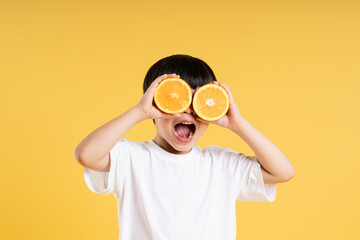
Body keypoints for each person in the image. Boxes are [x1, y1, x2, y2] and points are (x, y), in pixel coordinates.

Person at [74, 54, 295, 240]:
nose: (189, 110)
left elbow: (283, 171)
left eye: (197, 100)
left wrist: (237, 124)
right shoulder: (132, 158)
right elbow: (87, 154)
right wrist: (140, 112)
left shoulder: (220, 164)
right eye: (177, 100)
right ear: (155, 103)